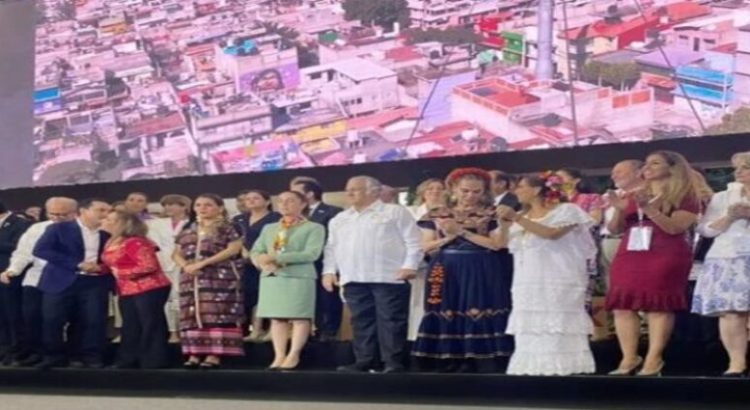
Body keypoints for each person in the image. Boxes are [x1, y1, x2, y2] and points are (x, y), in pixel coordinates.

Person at [606, 151, 700, 376]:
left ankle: (653, 359)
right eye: (646, 163)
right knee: (622, 305)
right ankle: (629, 358)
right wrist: (619, 210)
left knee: (659, 305)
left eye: (655, 163)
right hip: (630, 252)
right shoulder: (634, 193)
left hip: (666, 253)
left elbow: (675, 228)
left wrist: (648, 208)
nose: (647, 167)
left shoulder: (685, 195)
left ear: (673, 167)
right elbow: (615, 229)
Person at [412, 168, 513, 373]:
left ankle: (477, 357)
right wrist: (449, 237)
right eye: (465, 191)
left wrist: (461, 232)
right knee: (446, 307)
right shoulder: (436, 214)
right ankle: (448, 356)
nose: (470, 196)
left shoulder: (492, 213)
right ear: (454, 189)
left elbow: (497, 244)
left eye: (476, 192)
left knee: (478, 306)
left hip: (481, 267)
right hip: (445, 266)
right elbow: (425, 246)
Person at [498, 173, 596, 376]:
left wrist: (515, 217)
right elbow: (506, 244)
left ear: (536, 190)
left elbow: (552, 234)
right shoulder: (522, 217)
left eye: (521, 186)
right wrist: (506, 223)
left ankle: (562, 368)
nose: (517, 191)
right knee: (531, 324)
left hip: (558, 276)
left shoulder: (567, 210)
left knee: (558, 322)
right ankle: (531, 368)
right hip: (527, 279)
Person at [323, 176, 422, 373]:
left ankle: (393, 362)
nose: (349, 193)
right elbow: (331, 248)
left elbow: (414, 241)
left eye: (356, 189)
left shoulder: (394, 212)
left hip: (388, 276)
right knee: (361, 321)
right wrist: (329, 271)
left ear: (374, 192)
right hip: (353, 277)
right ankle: (365, 360)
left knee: (391, 321)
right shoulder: (340, 219)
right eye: (348, 189)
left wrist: (410, 265)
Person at [33, 198, 113, 369]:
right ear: (84, 211)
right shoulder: (58, 228)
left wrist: (100, 267)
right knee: (53, 319)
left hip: (94, 282)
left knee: (93, 320)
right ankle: (53, 356)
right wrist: (77, 264)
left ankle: (89, 356)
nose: (106, 214)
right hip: (60, 280)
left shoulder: (107, 235)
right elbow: (41, 250)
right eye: (101, 210)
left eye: (108, 211)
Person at [250, 191, 325, 370]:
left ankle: (294, 354)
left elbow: (312, 253)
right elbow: (256, 250)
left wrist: (277, 258)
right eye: (281, 201)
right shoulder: (269, 228)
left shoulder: (314, 228)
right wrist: (260, 260)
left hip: (297, 277)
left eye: (290, 201)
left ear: (302, 204)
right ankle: (279, 355)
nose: (284, 205)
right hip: (272, 277)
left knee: (299, 317)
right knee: (277, 318)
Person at [691, 152, 750, 376]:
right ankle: (736, 363)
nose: (739, 172)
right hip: (726, 257)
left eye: (746, 167)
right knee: (731, 312)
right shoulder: (723, 197)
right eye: (738, 168)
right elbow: (705, 229)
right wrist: (730, 217)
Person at [0, 197, 78, 367]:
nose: (57, 218)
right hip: (35, 278)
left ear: (74, 213)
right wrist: (12, 270)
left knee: (55, 319)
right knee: (31, 317)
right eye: (53, 214)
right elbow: (23, 253)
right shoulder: (37, 228)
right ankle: (36, 352)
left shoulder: (79, 230)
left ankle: (59, 354)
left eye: (63, 214)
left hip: (66, 279)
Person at [173, 194, 244, 369]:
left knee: (216, 311)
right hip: (191, 278)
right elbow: (176, 252)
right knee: (193, 313)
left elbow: (234, 248)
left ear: (220, 208)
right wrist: (186, 266)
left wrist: (204, 262)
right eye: (198, 205)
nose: (202, 208)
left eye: (208, 205)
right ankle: (195, 352)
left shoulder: (228, 227)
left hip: (219, 277)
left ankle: (215, 353)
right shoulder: (188, 228)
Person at [101, 210, 172, 369]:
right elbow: (114, 265)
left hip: (149, 287)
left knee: (150, 324)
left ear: (121, 223)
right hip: (127, 289)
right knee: (130, 325)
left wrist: (122, 273)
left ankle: (153, 360)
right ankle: (128, 358)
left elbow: (148, 265)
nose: (105, 221)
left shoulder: (136, 242)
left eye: (110, 219)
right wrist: (98, 268)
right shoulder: (111, 241)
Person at [291, 179, 343, 342]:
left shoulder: (333, 211)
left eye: (296, 193)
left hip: (323, 262)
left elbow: (335, 240)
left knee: (327, 299)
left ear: (310, 194)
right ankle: (306, 331)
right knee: (304, 299)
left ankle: (328, 331)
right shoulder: (291, 216)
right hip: (299, 265)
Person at [146, 194, 192, 343]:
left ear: (184, 206)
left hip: (185, 264)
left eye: (172, 204)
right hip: (162, 265)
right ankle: (172, 332)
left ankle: (186, 330)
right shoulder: (155, 223)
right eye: (165, 205)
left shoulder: (191, 223)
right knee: (167, 300)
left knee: (183, 298)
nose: (168, 207)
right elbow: (153, 244)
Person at [406, 178, 447, 342]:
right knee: (419, 303)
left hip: (445, 263)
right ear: (422, 193)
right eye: (430, 189)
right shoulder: (411, 212)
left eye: (439, 189)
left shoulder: (452, 212)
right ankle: (418, 339)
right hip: (419, 264)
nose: (435, 192)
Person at [237, 190, 280, 342]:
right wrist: (242, 250)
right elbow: (234, 238)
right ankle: (256, 329)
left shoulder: (276, 218)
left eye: (256, 198)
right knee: (252, 296)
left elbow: (279, 240)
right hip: (244, 264)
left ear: (267, 201)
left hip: (268, 262)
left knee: (269, 296)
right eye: (248, 199)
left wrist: (265, 257)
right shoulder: (239, 219)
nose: (251, 201)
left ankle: (271, 330)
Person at [0, 201, 39, 365]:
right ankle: (3, 349)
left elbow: (20, 248)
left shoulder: (22, 224)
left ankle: (17, 351)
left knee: (12, 315)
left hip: (10, 276)